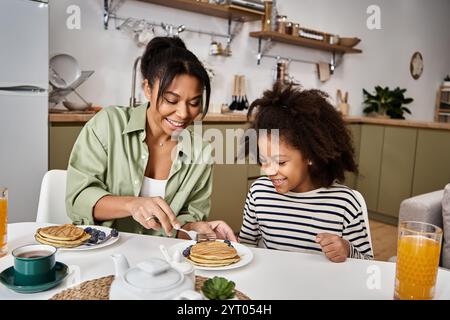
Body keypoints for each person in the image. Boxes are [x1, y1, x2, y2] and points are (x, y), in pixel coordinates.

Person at [66, 37, 236, 241]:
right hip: (102, 252)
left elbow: (186, 222)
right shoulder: (108, 125)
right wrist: (132, 204)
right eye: (171, 100)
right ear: (148, 89)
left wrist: (196, 229)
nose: (183, 113)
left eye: (194, 102)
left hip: (163, 263)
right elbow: (78, 200)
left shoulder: (201, 152)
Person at [238, 82, 373, 262]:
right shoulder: (258, 192)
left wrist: (347, 250)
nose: (269, 171)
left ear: (310, 155)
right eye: (263, 161)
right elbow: (247, 248)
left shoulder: (345, 204)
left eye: (280, 161)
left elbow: (368, 265)